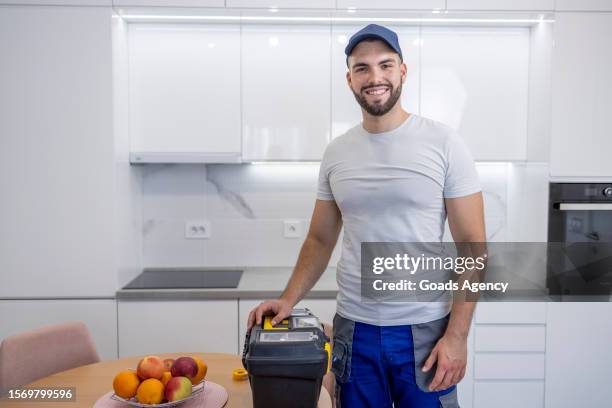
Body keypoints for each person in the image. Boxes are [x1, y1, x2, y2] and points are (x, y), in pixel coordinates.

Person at [247, 23, 485, 408]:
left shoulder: (444, 143)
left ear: (402, 71)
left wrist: (457, 336)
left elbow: (474, 248)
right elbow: (320, 239)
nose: (375, 77)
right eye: (362, 68)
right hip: (354, 329)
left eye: (385, 65)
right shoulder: (338, 152)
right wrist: (287, 300)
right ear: (350, 79)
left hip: (423, 329)